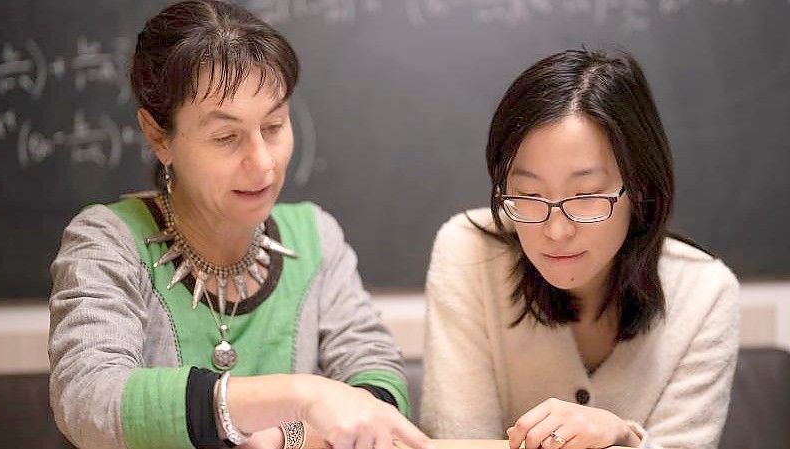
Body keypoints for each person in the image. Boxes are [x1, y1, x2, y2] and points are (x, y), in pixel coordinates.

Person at [48, 2, 432, 449]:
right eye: (226, 137)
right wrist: (300, 394)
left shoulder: (315, 236)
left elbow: (378, 377)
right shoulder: (106, 241)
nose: (263, 163)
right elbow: (88, 401)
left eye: (274, 125)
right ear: (158, 136)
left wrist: (286, 435)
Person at [420, 48, 740, 449]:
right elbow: (459, 440)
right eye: (530, 194)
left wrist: (626, 438)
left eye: (586, 195)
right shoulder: (467, 252)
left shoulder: (706, 293)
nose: (556, 230)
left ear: (639, 187)